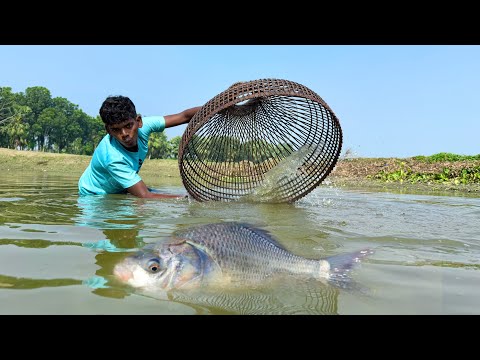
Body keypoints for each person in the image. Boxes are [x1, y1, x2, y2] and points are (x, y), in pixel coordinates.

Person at [78, 95, 201, 198]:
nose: (124, 134)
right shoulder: (112, 158)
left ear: (139, 121)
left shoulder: (145, 126)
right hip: (95, 195)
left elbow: (184, 116)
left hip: (120, 188)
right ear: (108, 131)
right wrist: (191, 199)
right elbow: (145, 196)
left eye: (128, 126)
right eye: (116, 130)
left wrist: (216, 106)